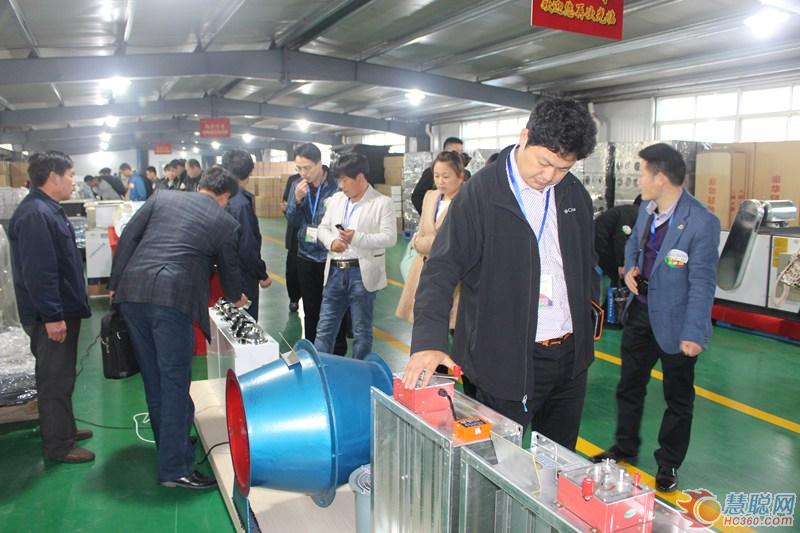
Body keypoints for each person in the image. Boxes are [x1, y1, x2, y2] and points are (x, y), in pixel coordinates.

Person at [402, 97, 599, 451]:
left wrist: (585, 327)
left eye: (563, 168)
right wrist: (429, 342)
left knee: (558, 463)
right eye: (544, 163)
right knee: (494, 463)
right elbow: (441, 269)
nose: (550, 177)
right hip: (504, 363)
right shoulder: (481, 194)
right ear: (524, 137)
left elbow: (586, 264)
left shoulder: (573, 193)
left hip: (569, 362)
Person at [592, 143, 720, 493]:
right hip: (640, 313)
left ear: (661, 178)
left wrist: (695, 332)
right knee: (629, 386)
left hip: (678, 323)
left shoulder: (702, 222)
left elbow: (703, 282)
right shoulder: (647, 211)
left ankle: (668, 462)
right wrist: (632, 268)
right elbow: (634, 245)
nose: (639, 180)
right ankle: (625, 445)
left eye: (643, 173)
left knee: (678, 398)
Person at [110, 166, 247, 490]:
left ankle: (171, 446)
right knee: (173, 381)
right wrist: (235, 297)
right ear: (224, 196)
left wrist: (115, 285)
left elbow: (128, 238)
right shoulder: (224, 221)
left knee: (155, 379)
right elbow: (229, 269)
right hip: (171, 301)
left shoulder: (162, 198)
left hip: (132, 294)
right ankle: (175, 469)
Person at [8, 151, 94, 463]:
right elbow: (40, 272)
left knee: (63, 376)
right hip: (51, 315)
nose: (73, 180)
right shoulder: (36, 214)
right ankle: (59, 445)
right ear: (53, 176)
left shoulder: (48, 208)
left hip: (61, 309)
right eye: (70, 174)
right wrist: (52, 316)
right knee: (54, 379)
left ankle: (65, 429)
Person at [314, 154, 396, 360]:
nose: (341, 186)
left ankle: (360, 371)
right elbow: (323, 227)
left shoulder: (382, 203)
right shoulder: (336, 200)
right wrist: (332, 242)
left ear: (360, 178)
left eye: (344, 180)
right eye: (339, 180)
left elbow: (389, 238)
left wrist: (357, 238)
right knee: (325, 328)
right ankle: (318, 371)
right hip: (335, 271)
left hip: (362, 273)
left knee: (361, 331)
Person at [285, 143, 347, 355]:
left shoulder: (337, 186)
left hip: (332, 256)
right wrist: (296, 200)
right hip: (306, 256)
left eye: (307, 168)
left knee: (335, 308)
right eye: (299, 168)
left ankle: (337, 354)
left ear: (320, 163)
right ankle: (313, 353)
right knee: (311, 309)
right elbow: (293, 221)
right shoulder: (297, 185)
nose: (303, 173)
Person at [396, 151, 465, 327]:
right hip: (423, 268)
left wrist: (423, 243)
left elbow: (453, 242)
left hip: (451, 275)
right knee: (424, 321)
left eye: (446, 176)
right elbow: (420, 232)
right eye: (436, 176)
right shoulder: (430, 197)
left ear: (460, 176)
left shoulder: (466, 202)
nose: (440, 181)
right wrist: (420, 241)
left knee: (450, 323)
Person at [222, 149, 271, 320]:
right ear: (250, 172)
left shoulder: (222, 196)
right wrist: (262, 274)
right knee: (246, 321)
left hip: (224, 273)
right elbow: (247, 247)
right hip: (243, 276)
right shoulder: (241, 204)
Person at [411, 137, 471, 214]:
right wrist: (429, 213)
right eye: (456, 152)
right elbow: (417, 196)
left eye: (461, 152)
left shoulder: (466, 173)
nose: (440, 181)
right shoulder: (430, 172)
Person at [282, 172, 303, 312]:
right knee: (292, 269)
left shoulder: (326, 183)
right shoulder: (294, 181)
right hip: (295, 232)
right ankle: (294, 298)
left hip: (315, 237)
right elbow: (285, 204)